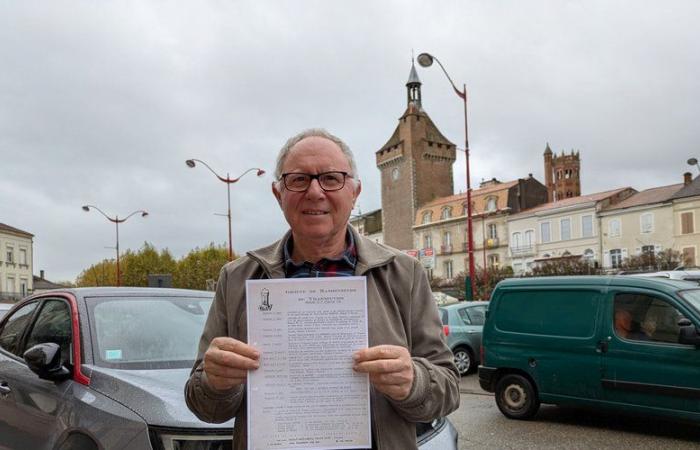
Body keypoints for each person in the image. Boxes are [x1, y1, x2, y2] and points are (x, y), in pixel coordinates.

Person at [185, 129, 460, 450]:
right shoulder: (236, 278)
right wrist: (216, 384)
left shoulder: (404, 273)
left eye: (331, 178)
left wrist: (413, 382)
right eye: (299, 180)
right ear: (278, 194)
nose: (315, 192)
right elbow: (203, 404)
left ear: (355, 192)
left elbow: (449, 388)